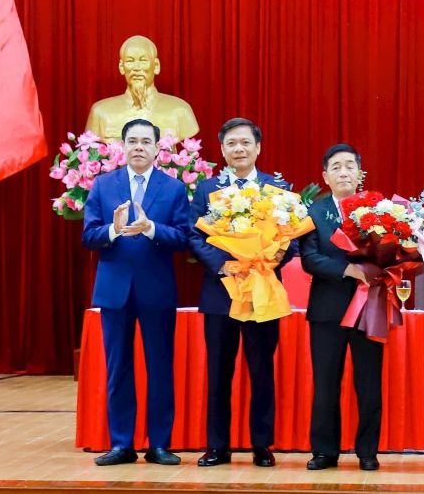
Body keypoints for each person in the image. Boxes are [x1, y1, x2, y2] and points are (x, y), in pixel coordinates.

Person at [81, 118, 191, 466]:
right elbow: (88, 236)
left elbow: (184, 238)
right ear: (122, 146)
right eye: (133, 141)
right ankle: (122, 444)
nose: (139, 147)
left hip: (156, 290)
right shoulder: (103, 185)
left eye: (146, 141)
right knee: (118, 368)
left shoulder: (172, 189)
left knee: (160, 368)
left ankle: (159, 444)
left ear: (158, 148)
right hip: (114, 291)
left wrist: (152, 228)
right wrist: (112, 232)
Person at [188, 117, 296, 467]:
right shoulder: (206, 189)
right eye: (232, 143)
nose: (239, 149)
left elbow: (291, 236)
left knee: (262, 369)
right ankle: (217, 445)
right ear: (222, 149)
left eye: (245, 142)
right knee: (219, 372)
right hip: (221, 295)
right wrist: (222, 264)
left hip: (261, 292)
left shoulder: (276, 188)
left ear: (258, 147)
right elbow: (193, 235)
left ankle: (262, 444)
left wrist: (278, 254)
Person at [300, 144, 382, 472]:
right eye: (336, 167)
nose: (344, 172)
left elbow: (396, 249)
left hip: (369, 308)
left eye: (350, 166)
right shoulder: (314, 213)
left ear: (360, 174)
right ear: (325, 176)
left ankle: (367, 451)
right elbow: (309, 258)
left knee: (369, 382)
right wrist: (346, 270)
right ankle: (324, 450)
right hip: (327, 310)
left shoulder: (379, 210)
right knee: (325, 383)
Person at [85, 35, 199, 140]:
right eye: (130, 61)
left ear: (156, 66)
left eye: (143, 61)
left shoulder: (180, 110)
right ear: (121, 67)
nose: (136, 68)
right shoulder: (101, 112)